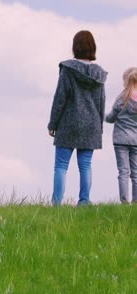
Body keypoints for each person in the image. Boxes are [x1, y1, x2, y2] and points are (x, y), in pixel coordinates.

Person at [48, 30, 107, 206]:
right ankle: (84, 202)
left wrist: (53, 123)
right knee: (86, 165)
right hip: (91, 124)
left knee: (61, 165)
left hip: (69, 123)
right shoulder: (99, 74)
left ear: (75, 47)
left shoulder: (67, 69)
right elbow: (101, 102)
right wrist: (100, 128)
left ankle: (57, 204)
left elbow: (60, 98)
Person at [105, 68, 137, 204]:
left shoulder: (121, 98)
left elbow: (111, 118)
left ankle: (124, 203)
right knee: (136, 173)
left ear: (126, 81)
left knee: (123, 172)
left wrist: (102, 115)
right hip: (136, 140)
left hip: (120, 140)